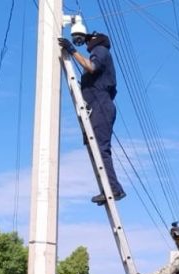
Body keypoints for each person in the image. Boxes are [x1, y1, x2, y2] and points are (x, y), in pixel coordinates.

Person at [58, 29, 126, 205]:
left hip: (101, 106)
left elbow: (91, 66)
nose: (86, 45)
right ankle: (108, 188)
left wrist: (72, 50)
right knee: (95, 148)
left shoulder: (101, 51)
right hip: (96, 106)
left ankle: (114, 189)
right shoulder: (99, 52)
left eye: (88, 41)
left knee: (101, 149)